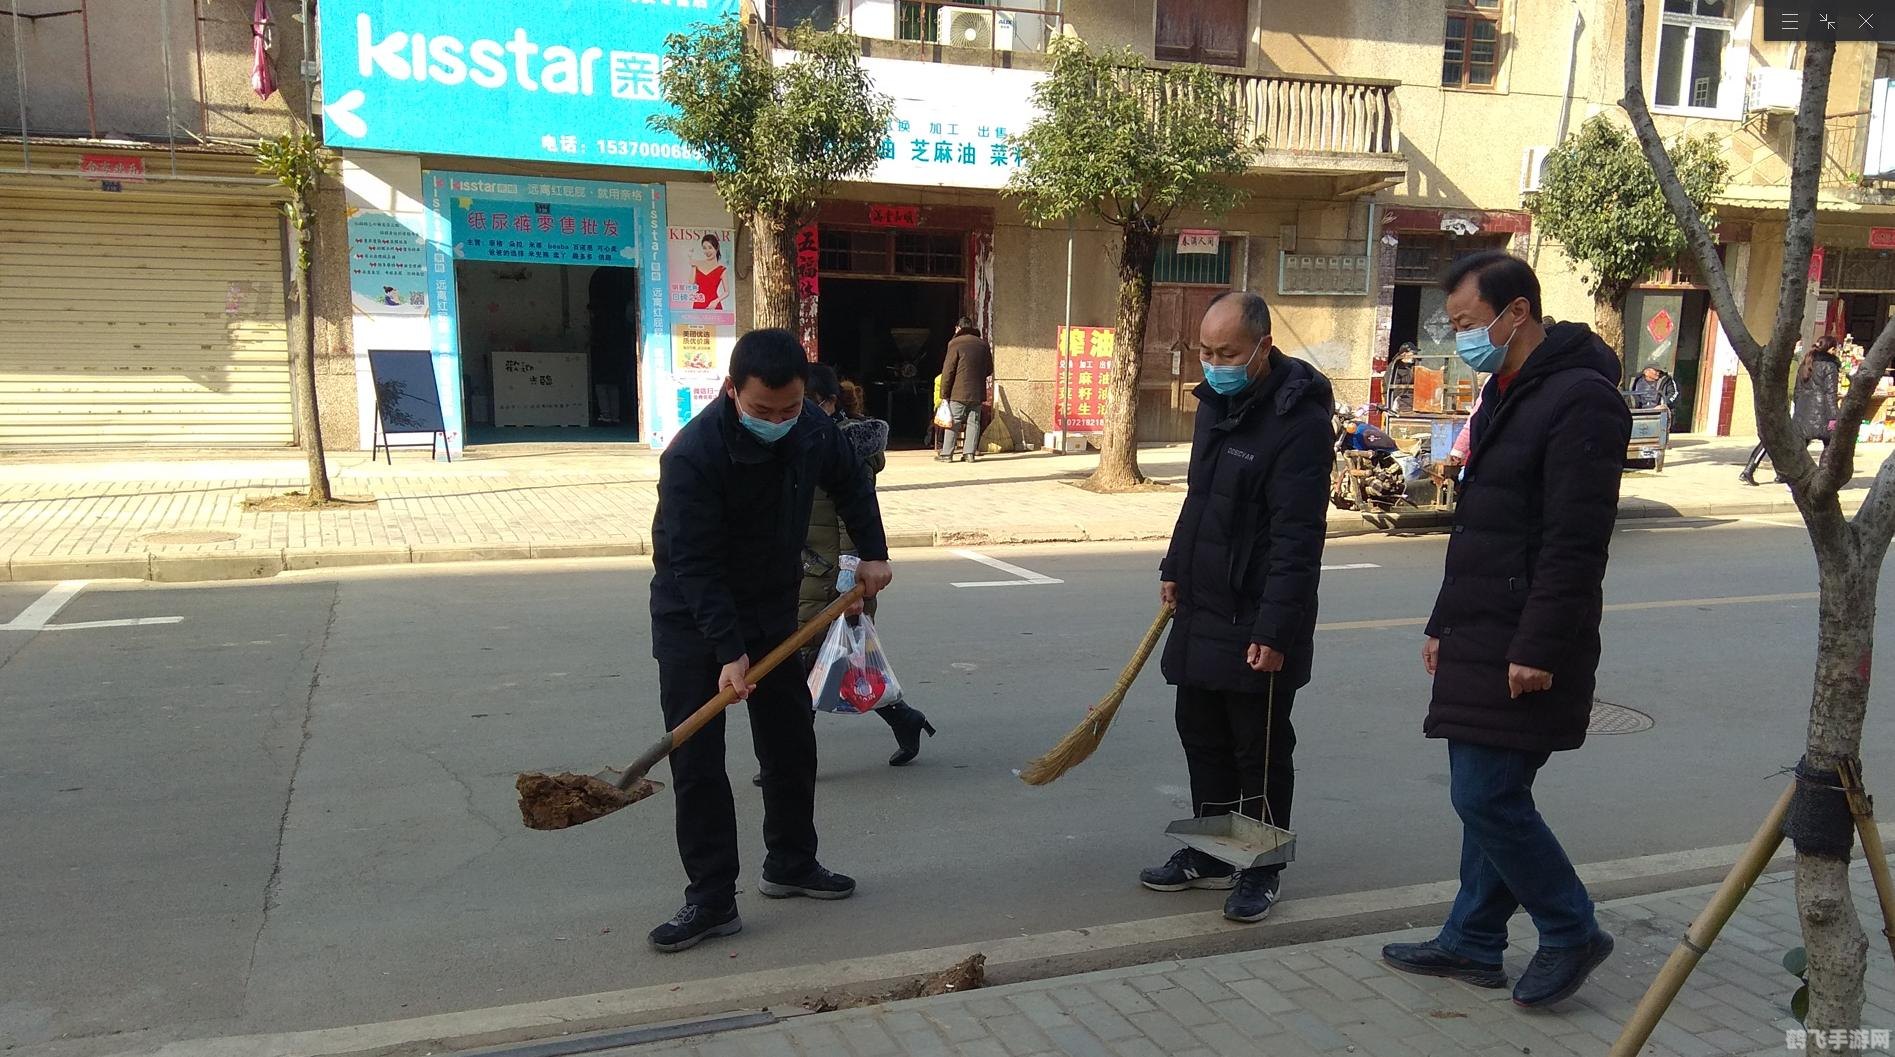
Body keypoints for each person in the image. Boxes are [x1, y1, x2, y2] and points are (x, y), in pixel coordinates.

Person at [1382, 251, 1627, 1008]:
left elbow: (1572, 542)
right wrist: (1440, 622)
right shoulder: (1508, 391)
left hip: (1524, 637)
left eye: (1464, 322)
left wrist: (1536, 647)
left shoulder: (1580, 399)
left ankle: (1569, 926)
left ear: (1514, 311)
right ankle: (1473, 940)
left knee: (1486, 795)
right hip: (1479, 625)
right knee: (1486, 794)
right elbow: (1481, 530)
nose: (1460, 337)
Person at [646, 328, 895, 953]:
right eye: (763, 411)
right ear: (733, 391)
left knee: (789, 741)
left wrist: (873, 552)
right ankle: (709, 898)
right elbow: (693, 566)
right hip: (692, 617)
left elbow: (851, 482)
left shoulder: (809, 426)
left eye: (789, 409)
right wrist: (727, 653)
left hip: (773, 605)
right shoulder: (692, 456)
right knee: (698, 760)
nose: (779, 422)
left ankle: (790, 861)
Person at [1143, 291, 1333, 924]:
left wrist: (1276, 627)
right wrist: (1175, 568)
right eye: (1206, 351)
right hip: (1204, 607)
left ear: (1262, 349)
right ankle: (1210, 851)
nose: (1214, 364)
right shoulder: (1214, 407)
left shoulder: (1297, 421)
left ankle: (1260, 867)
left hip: (1256, 618)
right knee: (1202, 737)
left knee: (1259, 750)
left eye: (1227, 353)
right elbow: (1199, 501)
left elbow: (1298, 539)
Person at [796, 368, 936, 767]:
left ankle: (791, 761)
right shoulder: (810, 441)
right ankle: (904, 718)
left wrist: (847, 583)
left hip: (832, 577)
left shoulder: (844, 448)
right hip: (808, 570)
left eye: (808, 403)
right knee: (837, 663)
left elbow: (853, 520)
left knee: (804, 666)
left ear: (829, 403)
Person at [1740, 336, 1841, 485]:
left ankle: (1779, 473)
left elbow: (1797, 390)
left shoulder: (1804, 363)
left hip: (1800, 412)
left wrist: (1798, 410)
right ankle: (1819, 479)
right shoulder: (1825, 366)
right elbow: (1829, 394)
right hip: (1793, 408)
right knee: (1776, 440)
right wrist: (1835, 417)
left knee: (1791, 444)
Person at [938, 316, 994, 463]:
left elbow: (948, 370)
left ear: (958, 328)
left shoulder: (955, 343)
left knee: (954, 422)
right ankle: (969, 454)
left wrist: (944, 393)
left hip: (958, 392)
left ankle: (946, 454)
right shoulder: (983, 344)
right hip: (976, 392)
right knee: (973, 422)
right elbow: (989, 368)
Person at [693, 234, 731, 312]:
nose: (707, 251)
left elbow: (727, 292)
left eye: (710, 247)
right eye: (704, 248)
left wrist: (716, 301)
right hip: (699, 302)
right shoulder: (697, 265)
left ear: (716, 248)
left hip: (713, 304)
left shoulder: (721, 269)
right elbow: (691, 282)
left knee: (714, 324)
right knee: (696, 324)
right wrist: (693, 266)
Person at [1385, 342, 1419, 413]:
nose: (1415, 356)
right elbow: (1394, 390)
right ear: (1404, 354)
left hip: (1409, 398)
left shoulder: (1411, 366)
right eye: (1413, 353)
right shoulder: (1394, 367)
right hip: (1398, 400)